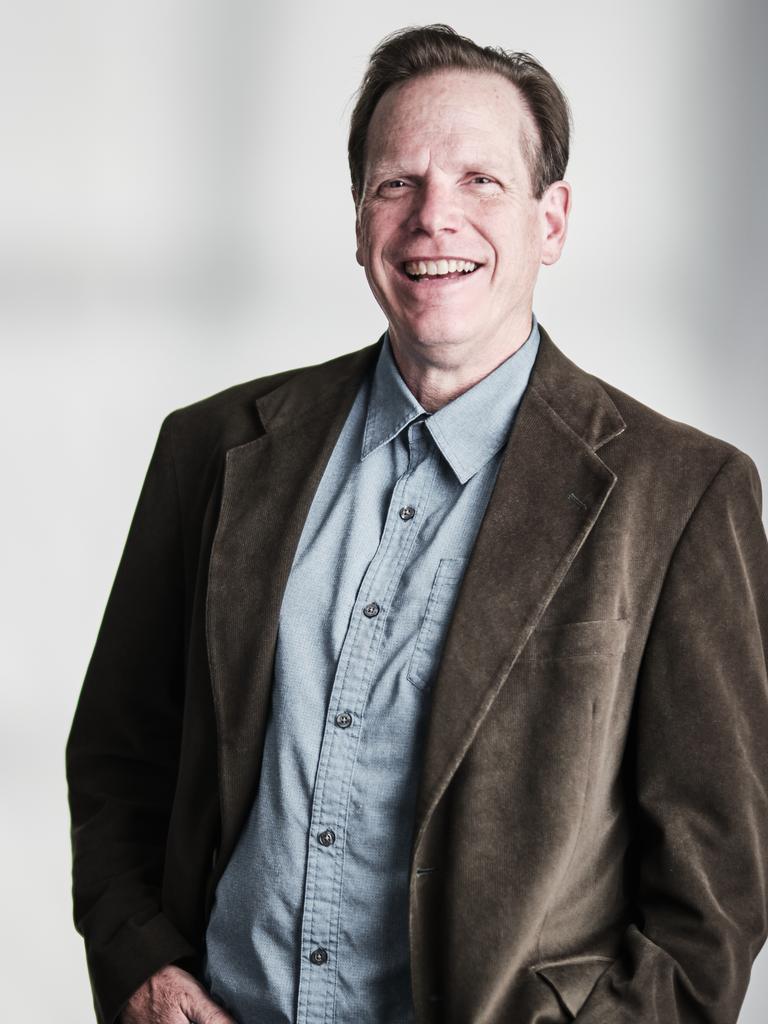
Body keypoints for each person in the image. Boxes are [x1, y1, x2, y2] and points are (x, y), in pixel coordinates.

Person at [66, 23, 768, 1024]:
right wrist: (144, 962)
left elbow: (716, 893)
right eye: (397, 183)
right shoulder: (212, 449)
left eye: (482, 181)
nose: (435, 217)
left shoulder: (684, 494)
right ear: (360, 221)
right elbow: (117, 756)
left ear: (551, 220)